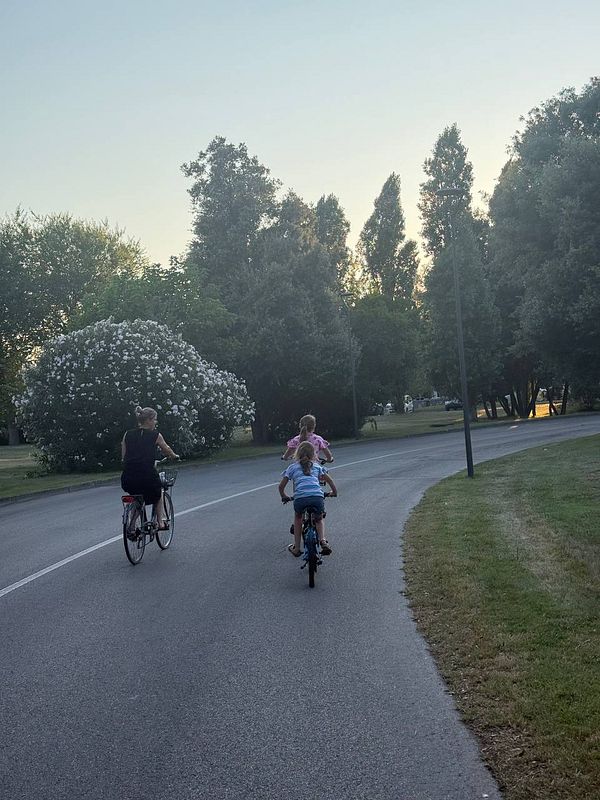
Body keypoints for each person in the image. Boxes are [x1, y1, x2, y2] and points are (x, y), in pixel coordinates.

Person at [121, 406, 179, 530]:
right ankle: (161, 522)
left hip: (128, 476)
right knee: (159, 492)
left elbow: (124, 456)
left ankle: (131, 526)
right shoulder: (155, 435)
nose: (156, 422)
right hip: (146, 475)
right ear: (149, 420)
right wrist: (174, 456)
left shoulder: (127, 434)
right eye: (155, 420)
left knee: (137, 497)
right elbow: (166, 449)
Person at [279, 441, 338, 557]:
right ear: (314, 455)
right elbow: (330, 481)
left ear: (297, 454)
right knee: (319, 519)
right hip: (317, 497)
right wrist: (334, 492)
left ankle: (296, 548)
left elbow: (281, 486)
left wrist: (284, 496)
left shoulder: (292, 468)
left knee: (298, 518)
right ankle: (323, 541)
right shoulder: (317, 466)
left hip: (300, 499)